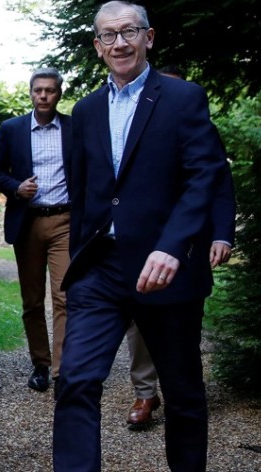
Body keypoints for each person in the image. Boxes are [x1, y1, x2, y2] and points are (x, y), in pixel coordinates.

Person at [54, 0, 230, 471]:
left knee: (184, 391)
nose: (119, 43)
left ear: (148, 37)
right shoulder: (86, 110)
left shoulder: (183, 98)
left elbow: (203, 176)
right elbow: (84, 190)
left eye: (128, 32)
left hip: (165, 270)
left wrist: (175, 246)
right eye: (108, 35)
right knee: (75, 381)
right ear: (97, 46)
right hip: (102, 270)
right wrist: (81, 258)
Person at [123, 65, 235, 430]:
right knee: (138, 325)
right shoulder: (130, 129)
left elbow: (218, 183)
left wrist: (222, 234)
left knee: (181, 327)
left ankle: (182, 391)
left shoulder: (201, 128)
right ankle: (145, 392)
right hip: (140, 243)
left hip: (188, 246)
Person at [0, 66, 72, 393]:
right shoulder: (12, 129)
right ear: (30, 92)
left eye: (50, 90)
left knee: (65, 298)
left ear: (58, 94)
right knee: (33, 301)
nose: (43, 96)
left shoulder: (73, 128)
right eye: (38, 90)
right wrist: (16, 187)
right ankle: (41, 362)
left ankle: (62, 371)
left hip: (65, 221)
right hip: (28, 223)